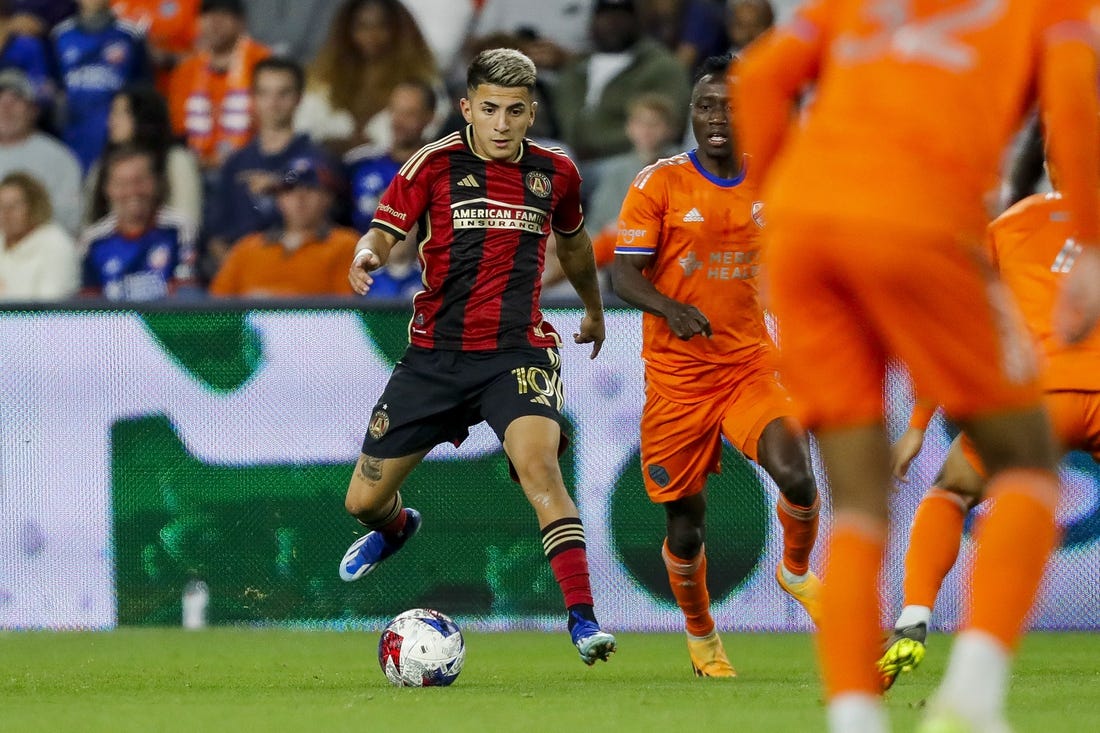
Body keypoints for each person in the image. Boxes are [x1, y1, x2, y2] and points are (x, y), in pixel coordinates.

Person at [732, 2, 1100, 732]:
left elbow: (757, 81)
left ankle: (856, 716)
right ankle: (972, 696)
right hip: (920, 216)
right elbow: (1076, 102)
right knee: (1026, 466)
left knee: (860, 499)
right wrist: (1089, 242)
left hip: (806, 229)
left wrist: (775, 201)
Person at [339, 48, 616, 666]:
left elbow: (573, 246)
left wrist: (594, 310)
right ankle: (396, 528)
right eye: (489, 109)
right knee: (361, 502)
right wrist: (368, 254)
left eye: (514, 111)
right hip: (435, 357)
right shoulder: (434, 164)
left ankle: (583, 620)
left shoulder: (556, 173)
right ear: (467, 108)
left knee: (540, 469)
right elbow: (385, 229)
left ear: (530, 113)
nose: (501, 124)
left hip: (517, 353)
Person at [611, 55, 820, 678]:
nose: (716, 117)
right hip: (677, 381)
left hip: (746, 368)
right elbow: (623, 273)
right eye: (705, 106)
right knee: (686, 524)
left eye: (730, 105)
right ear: (691, 115)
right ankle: (703, 639)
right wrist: (670, 308)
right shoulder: (660, 184)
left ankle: (796, 571)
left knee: (798, 476)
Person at [878, 178, 1100, 691]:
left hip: (1038, 399)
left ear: (1051, 160)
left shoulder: (1013, 223)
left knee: (952, 490)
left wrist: (917, 426)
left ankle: (914, 617)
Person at [204, 56, 330, 279]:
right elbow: (216, 236)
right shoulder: (235, 164)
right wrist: (241, 271)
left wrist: (277, 184)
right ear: (253, 98)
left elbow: (329, 232)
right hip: (245, 282)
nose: (273, 103)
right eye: (264, 93)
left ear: (299, 98)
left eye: (283, 93)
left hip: (305, 278)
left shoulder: (318, 159)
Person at [552, 0, 691, 164]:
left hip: (631, 158)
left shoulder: (661, 66)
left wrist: (596, 145)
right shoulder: (576, 67)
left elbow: (670, 121)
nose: (612, 22)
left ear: (637, 20)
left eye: (621, 15)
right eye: (605, 15)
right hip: (570, 157)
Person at [295, 0, 440, 151]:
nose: (371, 35)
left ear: (398, 31)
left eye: (381, 26)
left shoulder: (423, 80)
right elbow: (303, 126)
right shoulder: (324, 77)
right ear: (346, 30)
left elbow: (430, 130)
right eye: (361, 26)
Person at [209, 156, 358, 298]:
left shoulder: (346, 245)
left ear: (328, 197)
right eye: (290, 190)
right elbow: (216, 309)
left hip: (316, 324)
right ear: (279, 198)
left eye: (310, 188)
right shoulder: (247, 248)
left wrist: (272, 302)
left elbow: (346, 311)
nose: (300, 198)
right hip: (249, 324)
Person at [81, 144, 196, 300]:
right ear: (108, 189)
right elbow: (89, 304)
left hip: (166, 322)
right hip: (114, 323)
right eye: (121, 184)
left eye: (140, 181)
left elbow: (186, 295)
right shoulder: (94, 240)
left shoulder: (178, 229)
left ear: (155, 183)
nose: (132, 191)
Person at [168, 0, 270, 170]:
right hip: (195, 168)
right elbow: (180, 129)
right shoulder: (186, 70)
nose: (215, 21)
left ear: (241, 22)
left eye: (224, 14)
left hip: (251, 166)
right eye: (207, 14)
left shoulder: (263, 62)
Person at [50, 0, 150, 172]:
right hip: (71, 140)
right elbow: (54, 92)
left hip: (117, 144)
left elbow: (144, 96)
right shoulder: (60, 35)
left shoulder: (130, 35)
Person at [86, 84, 202, 228]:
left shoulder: (176, 161)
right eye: (112, 113)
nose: (111, 122)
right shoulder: (101, 166)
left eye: (121, 113)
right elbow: (90, 224)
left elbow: (187, 220)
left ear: (144, 117)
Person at [0, 69, 83, 235]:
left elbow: (72, 219)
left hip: (37, 250)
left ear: (33, 110)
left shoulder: (59, 158)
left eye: (15, 101)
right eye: (0, 101)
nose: (6, 109)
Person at [0, 171, 80, 300]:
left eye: (15, 206)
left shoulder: (56, 244)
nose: (6, 214)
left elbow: (50, 306)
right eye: (1, 206)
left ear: (34, 206)